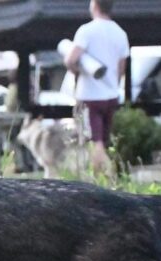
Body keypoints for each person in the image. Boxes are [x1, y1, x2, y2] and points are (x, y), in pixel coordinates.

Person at [64, 0, 129, 174]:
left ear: (94, 5)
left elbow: (71, 59)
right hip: (111, 95)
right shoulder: (120, 33)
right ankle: (101, 177)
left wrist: (76, 70)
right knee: (104, 141)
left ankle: (107, 177)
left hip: (89, 96)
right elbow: (122, 68)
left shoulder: (86, 31)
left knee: (95, 142)